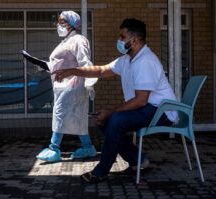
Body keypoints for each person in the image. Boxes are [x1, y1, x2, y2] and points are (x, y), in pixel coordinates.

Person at [54, 18, 178, 183]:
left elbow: (141, 100)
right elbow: (101, 70)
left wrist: (111, 112)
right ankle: (139, 161)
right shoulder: (127, 60)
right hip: (147, 107)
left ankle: (102, 170)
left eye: (122, 37)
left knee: (115, 120)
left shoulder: (145, 61)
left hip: (162, 110)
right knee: (104, 121)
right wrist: (72, 71)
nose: (119, 41)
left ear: (133, 40)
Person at [36, 11, 98, 162]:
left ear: (73, 24)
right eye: (58, 21)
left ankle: (54, 148)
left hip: (73, 86)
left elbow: (85, 62)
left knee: (60, 114)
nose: (59, 25)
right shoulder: (65, 42)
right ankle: (87, 147)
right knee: (77, 118)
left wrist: (90, 84)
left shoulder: (78, 40)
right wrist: (43, 65)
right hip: (64, 86)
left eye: (63, 22)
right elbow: (60, 63)